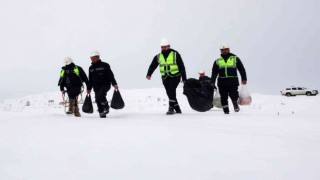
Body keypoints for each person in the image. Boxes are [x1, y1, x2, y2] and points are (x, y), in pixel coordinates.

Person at [146, 38, 187, 115]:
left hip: (175, 76)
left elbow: (182, 66)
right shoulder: (158, 56)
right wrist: (149, 74)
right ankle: (177, 108)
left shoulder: (175, 54)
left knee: (171, 90)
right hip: (165, 77)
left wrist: (184, 78)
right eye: (162, 47)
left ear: (169, 46)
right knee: (169, 92)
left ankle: (171, 108)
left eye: (165, 46)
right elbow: (152, 66)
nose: (164, 48)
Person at [210, 44, 247, 114]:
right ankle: (226, 112)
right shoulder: (217, 61)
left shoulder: (235, 58)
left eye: (226, 49)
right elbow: (214, 72)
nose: (224, 51)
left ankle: (235, 105)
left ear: (229, 50)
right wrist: (212, 81)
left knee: (234, 95)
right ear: (220, 51)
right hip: (222, 82)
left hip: (233, 81)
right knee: (223, 98)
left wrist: (244, 78)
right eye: (222, 50)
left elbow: (241, 69)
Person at [87, 50, 119, 118]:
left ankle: (106, 107)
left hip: (105, 85)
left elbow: (110, 75)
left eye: (94, 58)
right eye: (91, 58)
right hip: (96, 86)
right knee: (97, 99)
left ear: (98, 57)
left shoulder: (105, 65)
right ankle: (102, 115)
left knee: (100, 95)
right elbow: (90, 79)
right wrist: (89, 88)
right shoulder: (90, 68)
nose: (92, 59)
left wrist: (114, 84)